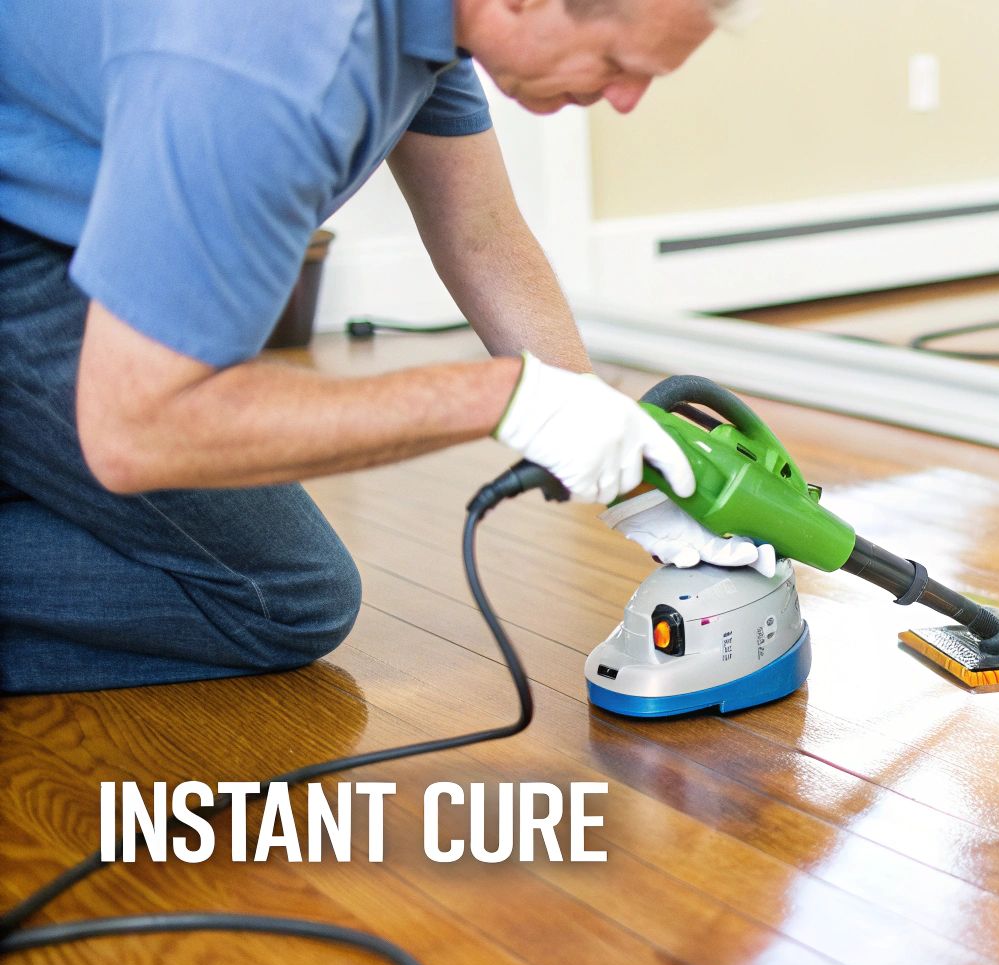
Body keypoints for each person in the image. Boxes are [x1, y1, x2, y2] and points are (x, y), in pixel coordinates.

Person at [0, 0, 765, 695]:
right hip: (23, 242)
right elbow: (139, 429)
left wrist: (627, 469)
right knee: (284, 599)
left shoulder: (428, 25)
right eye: (618, 64)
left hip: (69, 222)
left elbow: (483, 233)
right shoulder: (271, 62)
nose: (627, 100)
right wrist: (507, 399)